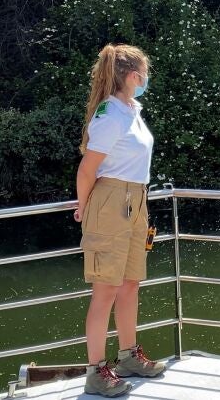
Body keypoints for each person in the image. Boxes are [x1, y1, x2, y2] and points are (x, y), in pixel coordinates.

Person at [73, 44, 166, 398]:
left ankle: (128, 356)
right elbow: (87, 170)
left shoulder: (131, 110)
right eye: (144, 73)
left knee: (130, 284)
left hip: (135, 200)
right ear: (131, 76)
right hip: (111, 201)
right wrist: (85, 208)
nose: (147, 79)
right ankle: (96, 372)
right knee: (105, 291)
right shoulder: (110, 114)